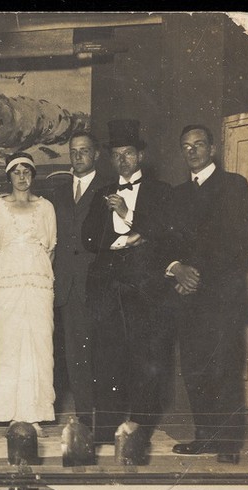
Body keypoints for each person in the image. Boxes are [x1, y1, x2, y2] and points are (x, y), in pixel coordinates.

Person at [81, 119, 173, 446]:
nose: (123, 160)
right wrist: (111, 220)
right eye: (117, 155)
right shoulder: (102, 192)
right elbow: (89, 239)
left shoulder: (161, 191)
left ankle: (140, 432)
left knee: (144, 359)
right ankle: (107, 431)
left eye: (129, 154)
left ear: (140, 156)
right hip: (107, 287)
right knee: (108, 358)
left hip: (143, 287)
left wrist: (127, 216)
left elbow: (166, 233)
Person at [166, 125, 248, 464]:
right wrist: (177, 268)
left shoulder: (233, 185)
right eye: (186, 146)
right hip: (188, 298)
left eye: (199, 144)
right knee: (196, 369)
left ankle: (229, 442)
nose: (192, 151)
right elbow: (169, 244)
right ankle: (204, 436)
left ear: (212, 148)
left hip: (222, 296)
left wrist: (196, 275)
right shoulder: (177, 194)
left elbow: (240, 244)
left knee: (225, 368)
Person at [0, 152, 57, 434]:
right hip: (5, 286)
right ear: (9, 176)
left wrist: (32, 273)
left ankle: (34, 414)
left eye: (27, 171)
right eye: (16, 171)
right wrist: (6, 277)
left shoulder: (46, 207)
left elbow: (50, 248)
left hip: (38, 284)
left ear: (33, 175)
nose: (22, 176)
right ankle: (9, 413)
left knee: (38, 345)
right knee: (7, 345)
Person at [47, 131, 111, 430]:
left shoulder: (109, 188)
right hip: (67, 285)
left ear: (96, 154)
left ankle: (106, 417)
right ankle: (85, 417)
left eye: (84, 150)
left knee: (102, 352)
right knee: (75, 353)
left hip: (98, 283)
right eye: (73, 151)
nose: (78, 156)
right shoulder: (57, 194)